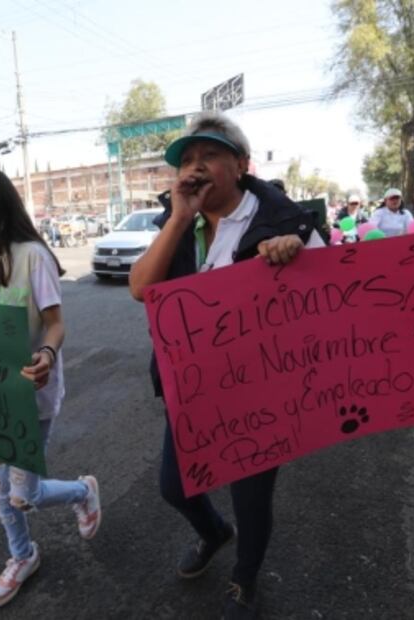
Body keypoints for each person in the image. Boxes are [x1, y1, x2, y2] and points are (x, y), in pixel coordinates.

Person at [129, 112, 322, 620]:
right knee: (175, 485)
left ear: (239, 164)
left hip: (260, 393)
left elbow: (326, 305)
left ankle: (245, 577)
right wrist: (177, 218)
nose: (195, 168)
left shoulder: (286, 222)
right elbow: (140, 290)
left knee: (251, 496)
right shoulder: (177, 225)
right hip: (192, 389)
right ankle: (214, 533)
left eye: (208, 155)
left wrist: (296, 257)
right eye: (186, 160)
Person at [0, 168, 101, 609]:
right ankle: (22, 556)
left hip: (31, 398)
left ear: (1, 204)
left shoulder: (32, 256)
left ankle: (83, 490)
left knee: (25, 494)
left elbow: (55, 324)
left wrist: (47, 357)